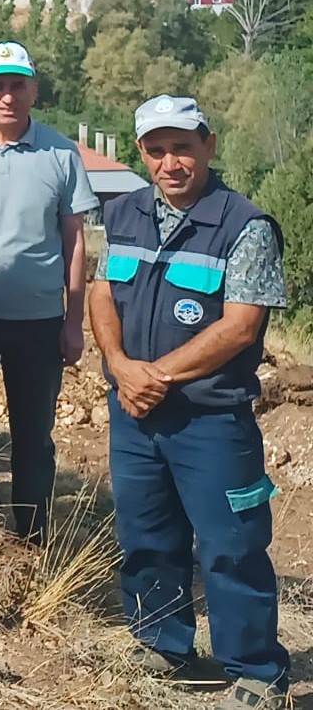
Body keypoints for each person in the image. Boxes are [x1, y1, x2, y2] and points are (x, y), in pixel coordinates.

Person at [90, 97, 291, 709]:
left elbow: (240, 326)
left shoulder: (245, 225)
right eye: (156, 150)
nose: (170, 162)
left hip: (210, 420)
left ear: (208, 144)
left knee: (231, 546)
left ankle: (257, 672)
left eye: (182, 147)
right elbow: (102, 294)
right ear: (142, 153)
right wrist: (123, 370)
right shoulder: (122, 213)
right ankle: (164, 644)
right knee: (147, 536)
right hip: (134, 412)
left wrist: (158, 376)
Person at [0, 43, 97, 540]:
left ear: (34, 89)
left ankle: (32, 534)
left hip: (37, 321)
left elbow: (75, 243)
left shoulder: (61, 154)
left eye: (17, 85)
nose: (7, 96)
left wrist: (74, 322)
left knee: (33, 437)